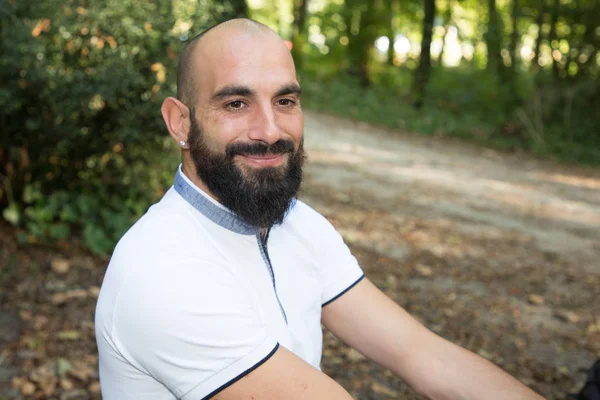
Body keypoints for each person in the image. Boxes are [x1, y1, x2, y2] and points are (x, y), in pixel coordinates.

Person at [94, 18, 545, 400]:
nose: (270, 130)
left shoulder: (297, 225)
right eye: (236, 103)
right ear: (181, 122)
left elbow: (425, 355)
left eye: (285, 101)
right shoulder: (161, 272)